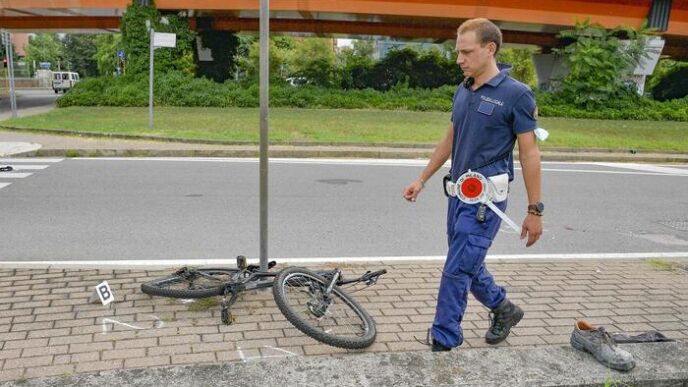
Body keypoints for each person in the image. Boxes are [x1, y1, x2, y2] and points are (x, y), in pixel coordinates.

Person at [403, 18, 543, 351]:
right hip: (458, 196)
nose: (459, 59)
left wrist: (535, 209)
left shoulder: (517, 95)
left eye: (466, 52)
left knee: (456, 268)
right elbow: (451, 136)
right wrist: (422, 179)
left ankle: (444, 337)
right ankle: (503, 309)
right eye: (458, 52)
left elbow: (530, 153)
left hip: (486, 202)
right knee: (465, 261)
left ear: (489, 48)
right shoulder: (464, 89)